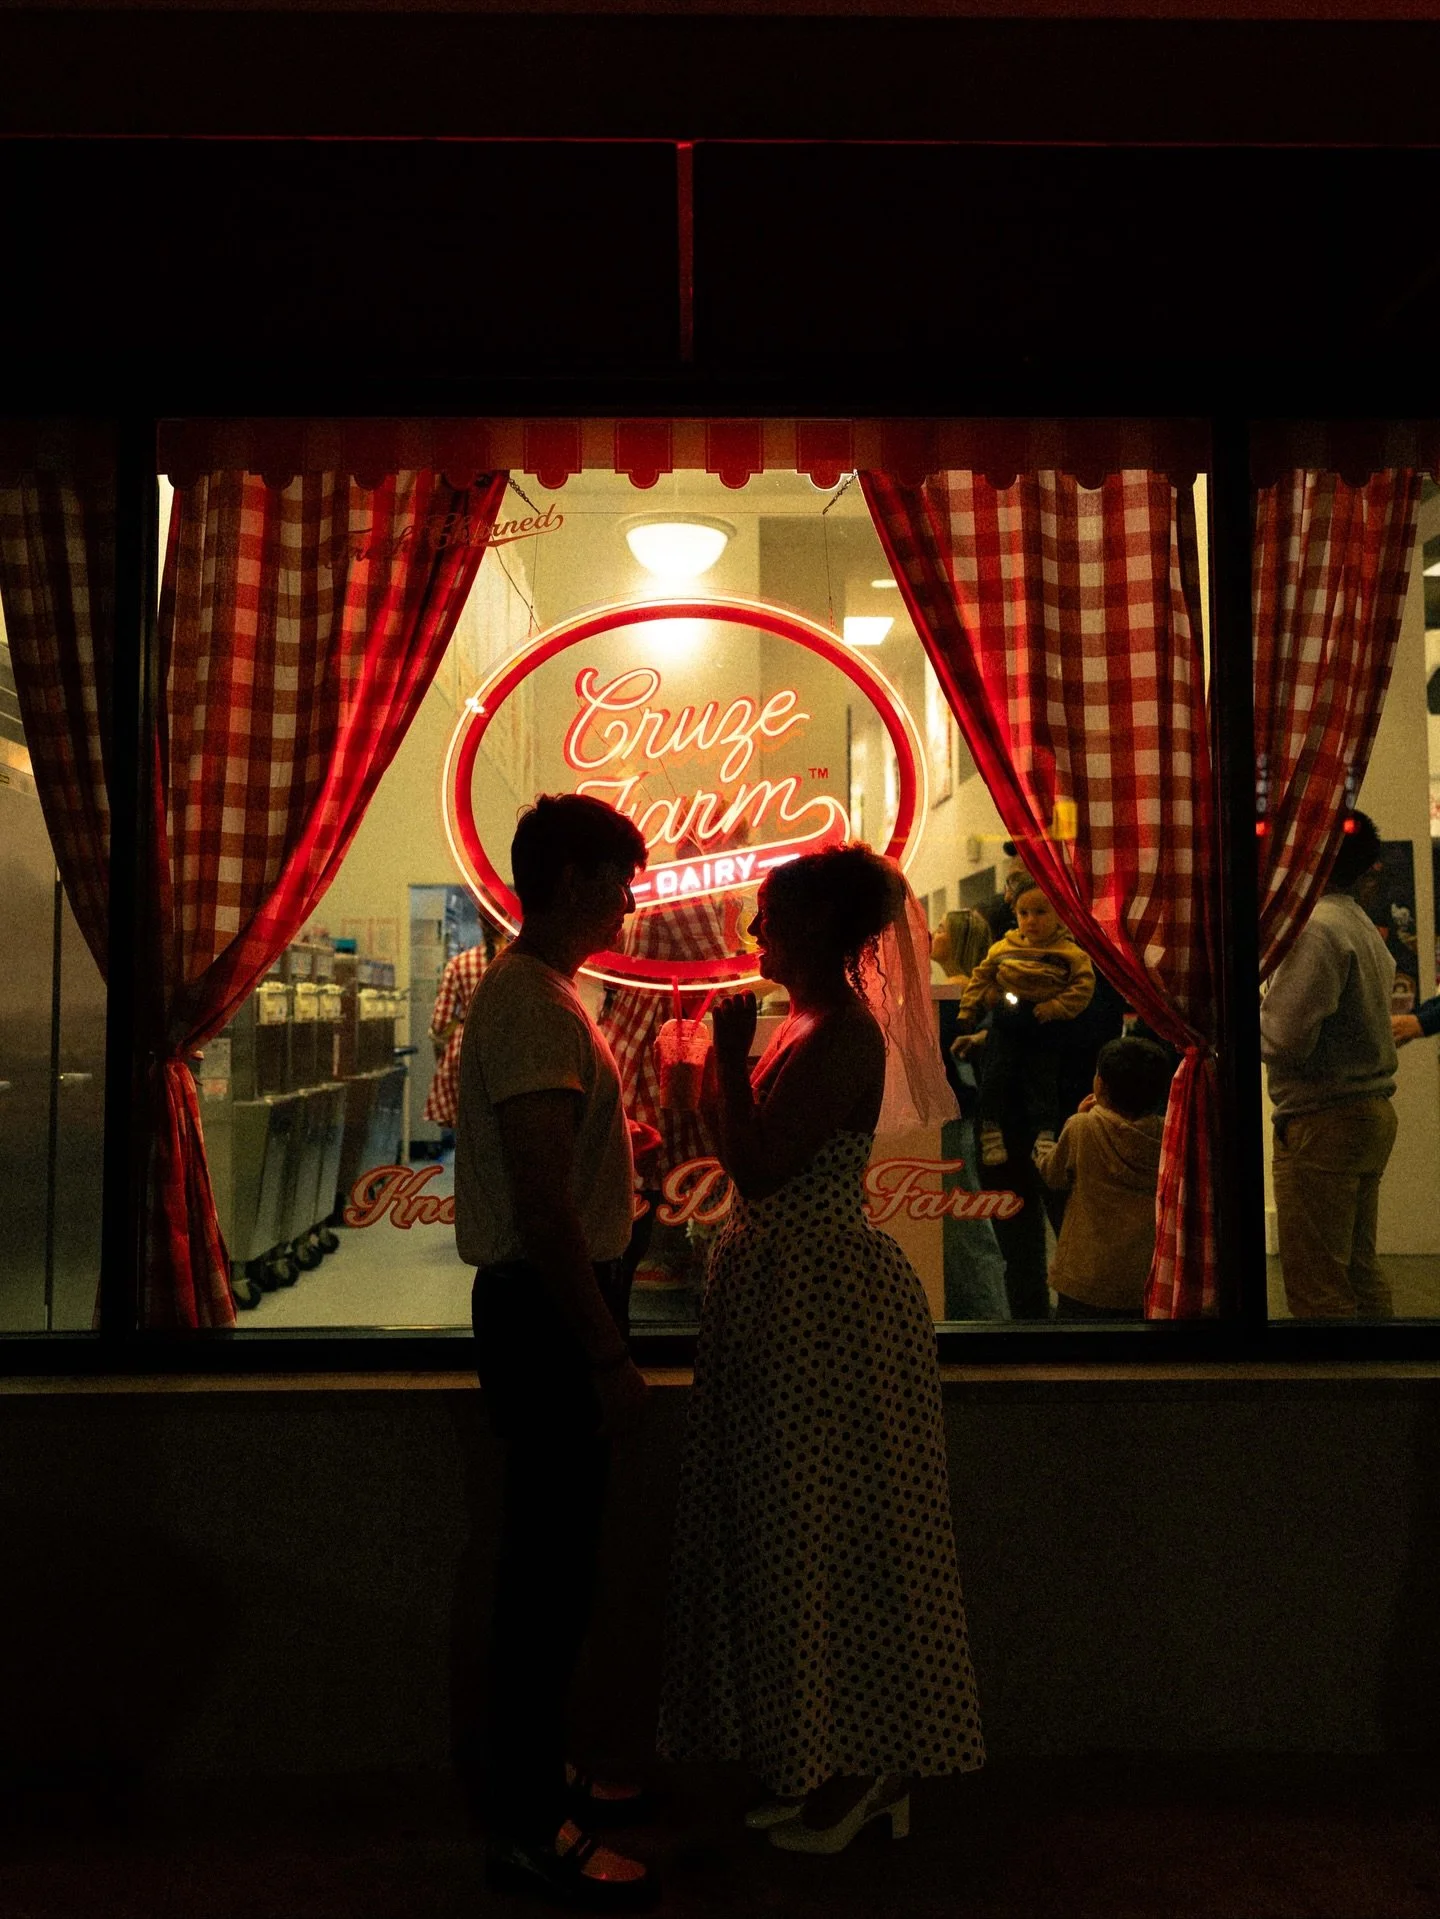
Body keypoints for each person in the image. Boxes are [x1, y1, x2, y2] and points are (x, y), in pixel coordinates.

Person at [659, 845, 984, 1854]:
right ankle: (821, 1761)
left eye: (769, 916)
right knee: (786, 1531)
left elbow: (756, 1167)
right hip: (782, 1290)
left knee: (826, 1529)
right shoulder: (804, 1023)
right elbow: (732, 1148)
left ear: (815, 932)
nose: (754, 934)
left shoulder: (844, 1032)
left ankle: (872, 1767)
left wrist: (717, 1054)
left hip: (818, 1299)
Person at [454, 792, 658, 1912]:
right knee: (547, 1575)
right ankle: (533, 1829)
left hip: (546, 1312)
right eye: (621, 877)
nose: (631, 898)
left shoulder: (542, 998)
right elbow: (542, 1208)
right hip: (547, 1316)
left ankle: (542, 1783)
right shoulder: (533, 1005)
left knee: (551, 1566)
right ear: (575, 878)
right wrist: (604, 1355)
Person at [1262, 810, 1398, 1320]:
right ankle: (1381, 1389)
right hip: (1364, 1113)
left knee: (1318, 1282)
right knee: (1358, 1270)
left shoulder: (1315, 928)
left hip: (1324, 1121)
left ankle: (1334, 1392)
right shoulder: (1356, 923)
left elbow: (1284, 1039)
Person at [954, 874, 1095, 1166]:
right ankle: (990, 1132)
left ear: (1059, 914)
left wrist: (1055, 1006)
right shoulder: (1004, 948)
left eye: (1041, 912)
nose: (1031, 920)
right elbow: (981, 976)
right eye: (1023, 913)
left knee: (1042, 1082)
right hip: (1007, 1024)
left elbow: (1083, 987)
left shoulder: (1069, 952)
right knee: (995, 1076)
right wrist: (968, 1009)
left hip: (1045, 1025)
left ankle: (1045, 1136)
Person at [1033, 1036, 1173, 1320]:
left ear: (1100, 1084)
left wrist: (1043, 1146)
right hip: (1142, 1278)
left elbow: (1052, 1174)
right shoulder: (1168, 1134)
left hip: (1084, 1279)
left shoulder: (1081, 1126)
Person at [930, 908, 1009, 1320]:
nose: (932, 932)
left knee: (965, 1217)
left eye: (941, 928)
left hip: (958, 1112)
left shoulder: (956, 994)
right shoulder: (963, 990)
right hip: (966, 1111)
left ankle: (988, 1314)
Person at [422, 937, 488, 1134]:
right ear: (509, 919)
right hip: (509, 1051)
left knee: (468, 1130)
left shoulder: (460, 964)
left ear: (479, 921)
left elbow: (440, 1022)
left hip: (464, 1049)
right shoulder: (517, 965)